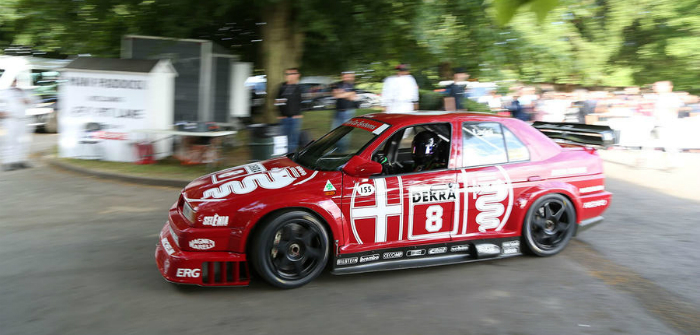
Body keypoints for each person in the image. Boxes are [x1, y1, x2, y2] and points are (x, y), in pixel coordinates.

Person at [0, 78, 36, 171]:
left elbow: (34, 101)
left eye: (15, 80)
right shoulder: (3, 91)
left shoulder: (21, 91)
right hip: (10, 119)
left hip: (22, 119)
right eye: (12, 80)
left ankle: (20, 160)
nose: (14, 82)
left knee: (22, 141)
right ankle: (8, 162)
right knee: (10, 141)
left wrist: (28, 101)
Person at [276, 68, 303, 153]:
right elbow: (278, 101)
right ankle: (283, 156)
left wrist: (299, 114)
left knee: (293, 139)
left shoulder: (299, 88)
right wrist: (281, 114)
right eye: (287, 74)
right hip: (284, 118)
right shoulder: (282, 87)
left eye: (291, 74)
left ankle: (291, 156)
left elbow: (302, 102)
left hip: (295, 118)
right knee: (283, 139)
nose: (289, 76)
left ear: (297, 75)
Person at [331, 71, 358, 153]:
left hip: (348, 112)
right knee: (335, 131)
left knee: (345, 132)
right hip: (338, 111)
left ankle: (341, 151)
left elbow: (353, 97)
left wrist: (341, 93)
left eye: (348, 76)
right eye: (344, 75)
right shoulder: (337, 84)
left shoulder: (353, 85)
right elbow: (335, 95)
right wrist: (348, 94)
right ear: (342, 76)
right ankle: (336, 148)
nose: (346, 77)